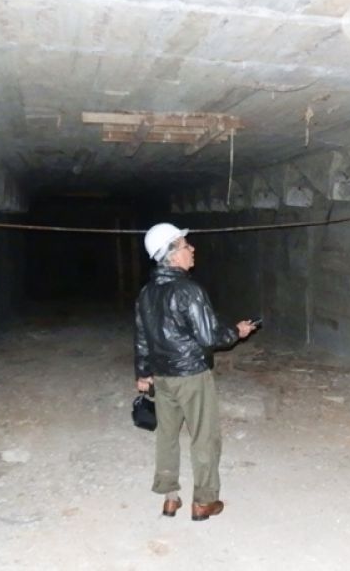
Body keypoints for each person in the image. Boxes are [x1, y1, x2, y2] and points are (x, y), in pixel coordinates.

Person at [134, 222, 256, 521]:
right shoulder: (189, 290)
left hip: (162, 377)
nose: (192, 249)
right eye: (186, 245)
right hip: (191, 375)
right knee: (204, 436)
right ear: (172, 254)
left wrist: (143, 372)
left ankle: (169, 499)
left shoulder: (147, 293)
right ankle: (204, 501)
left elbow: (142, 337)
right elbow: (209, 336)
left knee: (167, 435)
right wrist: (237, 331)